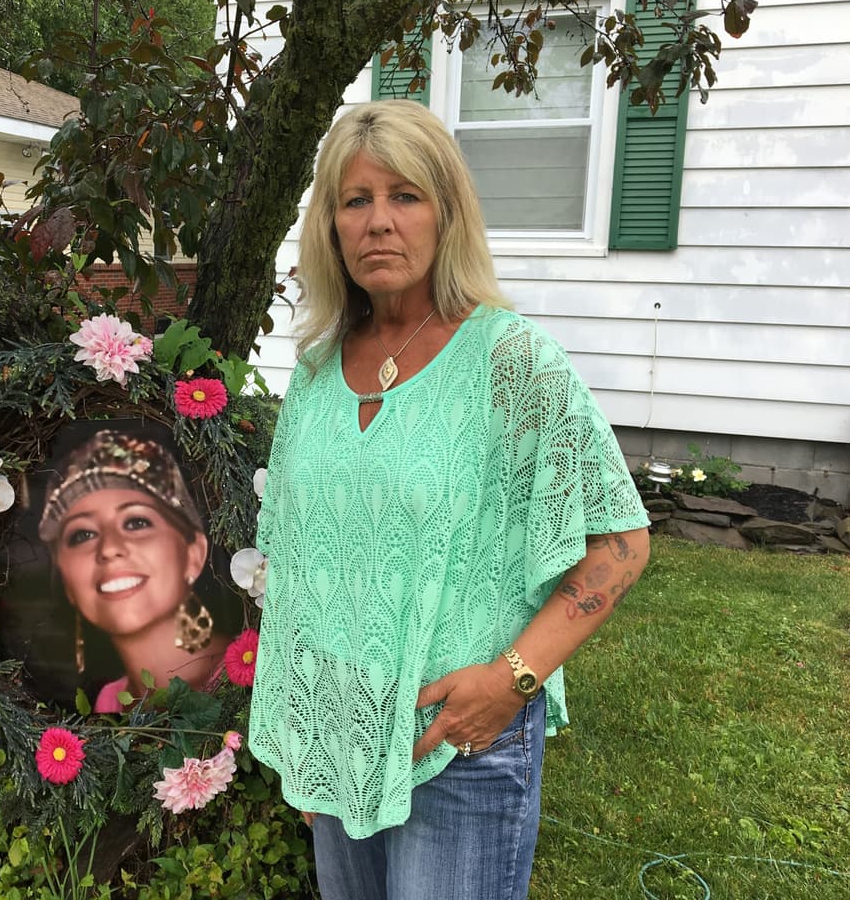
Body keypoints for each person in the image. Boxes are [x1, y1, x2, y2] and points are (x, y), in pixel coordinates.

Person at [248, 100, 651, 900]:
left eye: (405, 196)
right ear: (331, 227)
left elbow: (621, 542)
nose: (379, 221)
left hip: (462, 743)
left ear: (447, 214)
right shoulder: (318, 374)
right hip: (342, 733)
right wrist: (308, 738)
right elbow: (296, 564)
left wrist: (511, 679)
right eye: (355, 200)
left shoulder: (512, 361)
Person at [38, 429, 230, 712]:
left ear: (194, 553)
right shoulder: (109, 703)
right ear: (67, 583)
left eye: (136, 522)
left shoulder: (256, 675)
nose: (108, 548)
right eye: (82, 535)